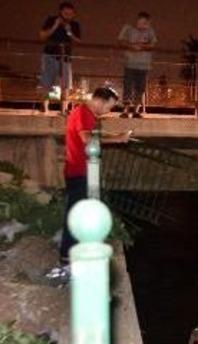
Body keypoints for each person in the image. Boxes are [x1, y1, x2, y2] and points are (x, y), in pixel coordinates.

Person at [45, 86, 130, 283]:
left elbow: (92, 136)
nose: (108, 111)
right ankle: (67, 261)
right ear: (100, 100)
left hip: (78, 171)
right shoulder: (84, 113)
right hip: (79, 172)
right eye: (109, 107)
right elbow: (87, 139)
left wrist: (116, 137)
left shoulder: (83, 113)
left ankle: (72, 257)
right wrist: (117, 139)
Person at [38, 2, 81, 114]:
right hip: (49, 55)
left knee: (65, 85)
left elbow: (78, 41)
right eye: (65, 13)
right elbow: (41, 36)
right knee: (46, 83)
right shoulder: (51, 20)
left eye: (70, 14)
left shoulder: (74, 24)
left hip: (65, 57)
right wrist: (54, 26)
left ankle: (64, 109)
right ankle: (44, 108)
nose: (68, 16)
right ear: (60, 12)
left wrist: (69, 31)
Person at [117, 12, 157, 118]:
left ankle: (136, 110)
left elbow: (153, 44)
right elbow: (120, 41)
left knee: (140, 88)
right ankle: (125, 110)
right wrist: (131, 46)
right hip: (130, 63)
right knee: (128, 87)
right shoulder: (128, 28)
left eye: (145, 23)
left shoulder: (150, 31)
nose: (142, 25)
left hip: (144, 64)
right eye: (140, 22)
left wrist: (142, 46)